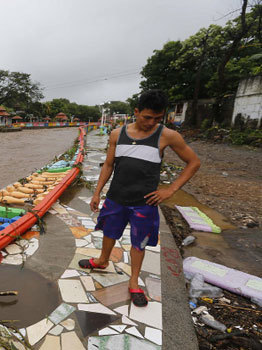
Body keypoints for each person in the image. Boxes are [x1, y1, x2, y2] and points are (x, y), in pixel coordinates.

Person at [79, 90, 200, 307]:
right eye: (146, 117)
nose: (151, 123)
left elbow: (193, 163)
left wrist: (170, 189)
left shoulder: (168, 136)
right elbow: (108, 165)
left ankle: (134, 281)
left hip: (144, 203)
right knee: (109, 231)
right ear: (136, 112)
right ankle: (102, 260)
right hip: (116, 197)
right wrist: (97, 192)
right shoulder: (117, 134)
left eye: (157, 118)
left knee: (139, 242)